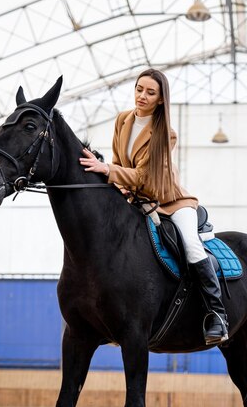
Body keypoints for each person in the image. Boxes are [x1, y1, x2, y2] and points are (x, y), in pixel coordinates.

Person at [79, 68, 228, 345]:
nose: (142, 97)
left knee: (192, 245)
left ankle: (216, 315)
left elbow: (146, 177)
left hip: (171, 201)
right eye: (139, 89)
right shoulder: (123, 120)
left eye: (150, 93)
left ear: (161, 99)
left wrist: (107, 170)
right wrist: (114, 178)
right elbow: (120, 162)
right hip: (137, 198)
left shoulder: (165, 133)